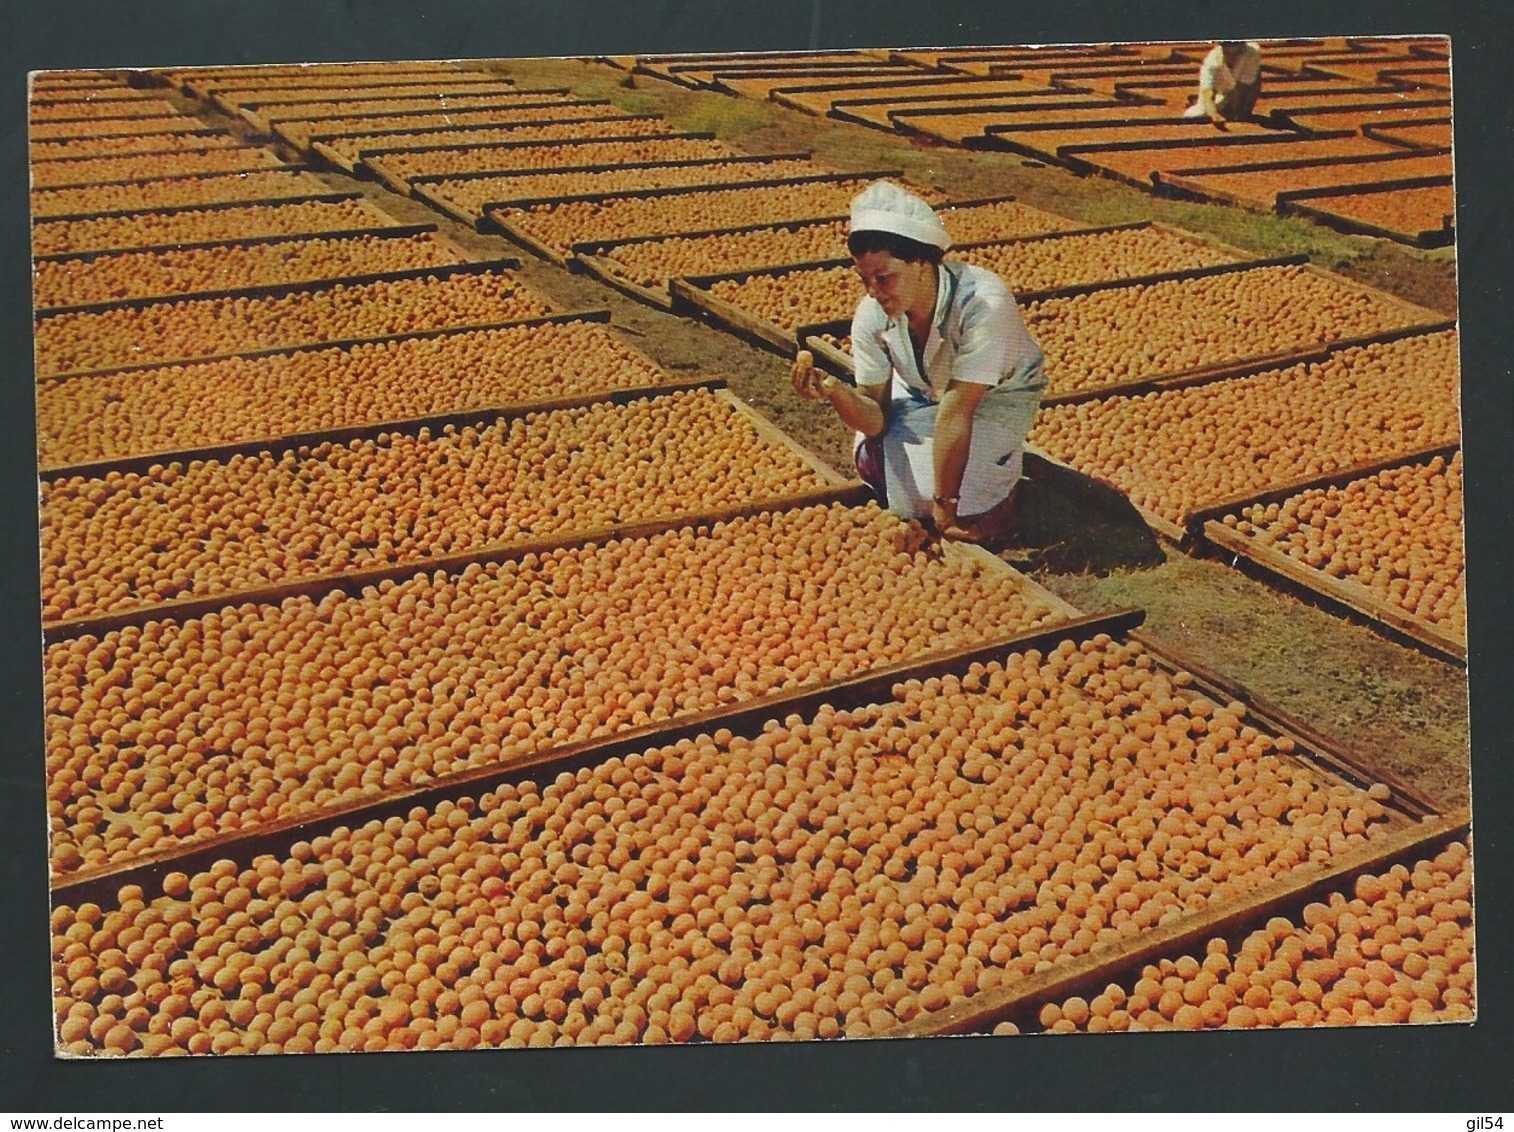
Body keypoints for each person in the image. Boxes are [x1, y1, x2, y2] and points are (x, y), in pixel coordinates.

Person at [790, 181, 1045, 544]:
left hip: (992, 401)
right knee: (869, 455)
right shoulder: (873, 314)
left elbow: (958, 412)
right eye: (865, 281)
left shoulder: (982, 304)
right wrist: (834, 391)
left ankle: (1004, 477)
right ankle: (982, 471)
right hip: (927, 397)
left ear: (923, 263)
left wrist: (945, 508)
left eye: (884, 278)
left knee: (937, 491)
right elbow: (875, 419)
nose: (874, 293)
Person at [1183, 40, 1263, 125]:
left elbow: (1243, 85)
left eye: (1236, 53)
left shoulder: (1252, 52)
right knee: (1199, 114)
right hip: (1222, 87)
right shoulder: (1212, 61)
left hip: (1240, 86)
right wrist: (1215, 115)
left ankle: (1239, 109)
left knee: (1242, 109)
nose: (1232, 56)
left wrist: (1235, 111)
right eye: (1228, 53)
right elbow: (1207, 93)